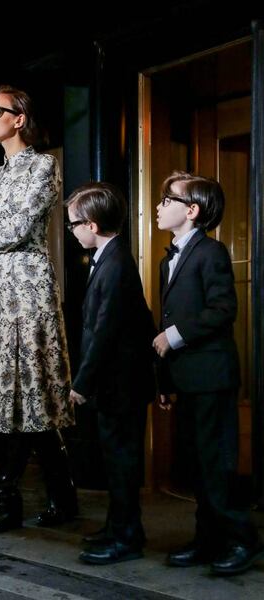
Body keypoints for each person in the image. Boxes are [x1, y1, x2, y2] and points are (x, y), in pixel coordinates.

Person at [0, 84, 77, 535]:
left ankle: (6, 503)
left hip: (31, 294)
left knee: (32, 397)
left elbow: (22, 223)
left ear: (19, 118)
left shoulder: (43, 166)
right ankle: (62, 497)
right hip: (0, 296)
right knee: (21, 403)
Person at [153, 170, 264, 575]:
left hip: (212, 378)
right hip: (186, 380)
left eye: (168, 200)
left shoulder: (210, 253)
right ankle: (208, 539)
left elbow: (222, 311)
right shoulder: (172, 258)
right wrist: (165, 381)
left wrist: (174, 336)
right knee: (197, 466)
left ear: (192, 210)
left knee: (215, 463)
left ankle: (243, 539)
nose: (160, 206)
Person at [66, 182, 156, 565]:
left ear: (91, 224)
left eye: (73, 225)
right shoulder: (109, 257)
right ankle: (120, 528)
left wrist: (82, 383)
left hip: (121, 386)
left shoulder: (115, 262)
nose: (71, 231)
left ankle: (126, 538)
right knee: (116, 461)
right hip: (118, 385)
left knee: (122, 463)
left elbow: (105, 330)